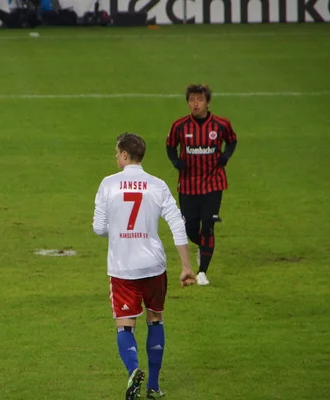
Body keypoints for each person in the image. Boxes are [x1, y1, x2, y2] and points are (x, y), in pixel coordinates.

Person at [92, 132, 196, 400]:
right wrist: (186, 265)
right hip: (154, 265)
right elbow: (176, 223)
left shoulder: (108, 184)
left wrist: (117, 231)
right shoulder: (157, 185)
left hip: (123, 267)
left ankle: (133, 368)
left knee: (125, 326)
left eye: (117, 152)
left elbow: (99, 228)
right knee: (155, 319)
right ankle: (153, 385)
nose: (116, 156)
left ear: (125, 155)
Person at [166, 83, 238, 286]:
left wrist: (225, 157)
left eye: (199, 100)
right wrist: (176, 162)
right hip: (188, 185)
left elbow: (232, 141)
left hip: (213, 183)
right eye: (191, 100)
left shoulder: (221, 124)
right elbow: (170, 146)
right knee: (189, 229)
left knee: (208, 224)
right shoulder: (179, 126)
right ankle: (204, 247)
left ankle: (202, 272)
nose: (195, 104)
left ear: (208, 102)